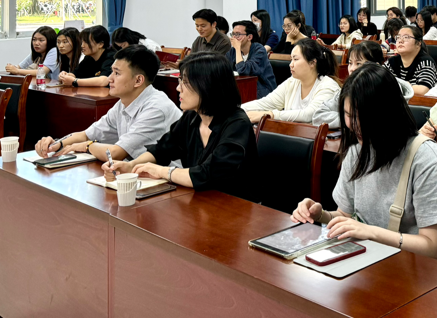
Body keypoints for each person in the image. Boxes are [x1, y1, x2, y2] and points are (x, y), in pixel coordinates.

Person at [292, 64, 437, 263]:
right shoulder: (357, 150)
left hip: (424, 269)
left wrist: (371, 232)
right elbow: (345, 216)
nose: (353, 124)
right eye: (348, 115)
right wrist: (320, 215)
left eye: (362, 116)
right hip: (374, 258)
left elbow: (432, 247)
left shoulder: (425, 157)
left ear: (388, 113)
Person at [103, 52, 259, 202]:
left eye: (185, 82)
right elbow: (162, 149)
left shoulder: (237, 124)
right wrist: (131, 166)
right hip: (199, 200)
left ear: (207, 85)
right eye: (180, 81)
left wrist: (162, 171)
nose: (178, 88)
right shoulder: (192, 117)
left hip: (234, 206)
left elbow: (207, 174)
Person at [35, 46, 181, 161]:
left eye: (117, 73)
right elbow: (86, 135)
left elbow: (116, 153)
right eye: (111, 72)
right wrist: (56, 144)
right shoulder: (124, 102)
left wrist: (87, 146)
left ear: (138, 80)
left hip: (172, 183)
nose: (109, 78)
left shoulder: (156, 108)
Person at [313, 40, 413, 130]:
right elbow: (318, 115)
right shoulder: (350, 87)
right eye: (350, 63)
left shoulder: (388, 89)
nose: (352, 69)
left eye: (358, 63)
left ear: (376, 66)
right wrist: (349, 119)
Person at [242, 38, 339, 124]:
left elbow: (310, 114)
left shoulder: (328, 86)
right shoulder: (292, 82)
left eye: (295, 59)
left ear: (312, 63)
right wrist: (238, 110)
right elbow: (267, 103)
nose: (290, 64)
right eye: (291, 59)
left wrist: (271, 114)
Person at [385, 25, 437, 97]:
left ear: (418, 43)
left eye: (406, 37)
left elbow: (422, 90)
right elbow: (378, 81)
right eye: (398, 37)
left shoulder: (425, 62)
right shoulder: (392, 61)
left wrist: (396, 86)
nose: (400, 41)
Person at [227, 20, 277, 99]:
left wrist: (237, 49)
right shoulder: (232, 51)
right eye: (233, 34)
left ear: (249, 37)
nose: (234, 38)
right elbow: (224, 69)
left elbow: (244, 71)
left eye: (238, 34)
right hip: (242, 89)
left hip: (262, 91)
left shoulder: (259, 50)